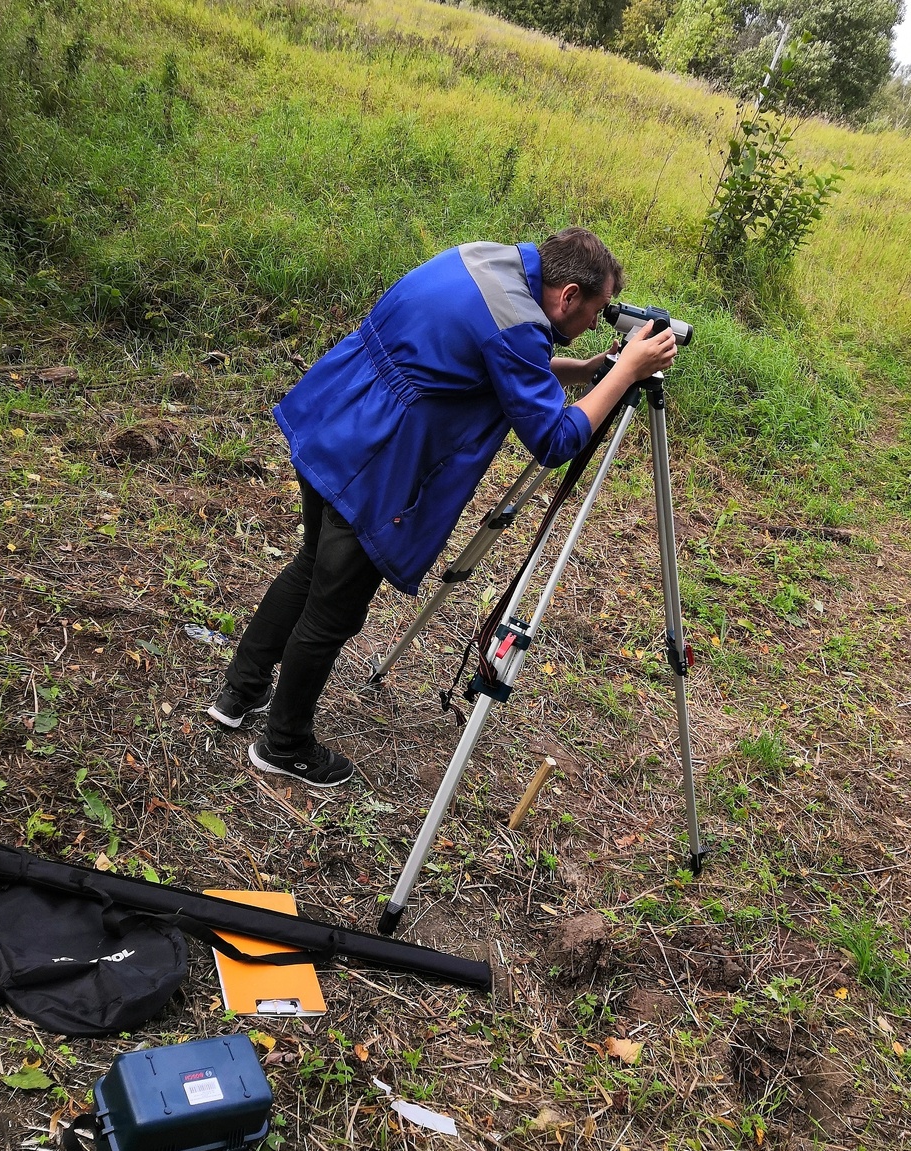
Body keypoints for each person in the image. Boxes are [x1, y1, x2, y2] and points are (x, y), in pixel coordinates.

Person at [207, 228, 678, 785]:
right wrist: (625, 373)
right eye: (595, 312)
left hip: (338, 417)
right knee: (332, 612)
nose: (594, 324)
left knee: (311, 566)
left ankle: (240, 691)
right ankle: (284, 744)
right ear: (569, 294)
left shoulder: (484, 261)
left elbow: (480, 356)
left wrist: (581, 370)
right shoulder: (517, 326)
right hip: (378, 462)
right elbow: (554, 440)